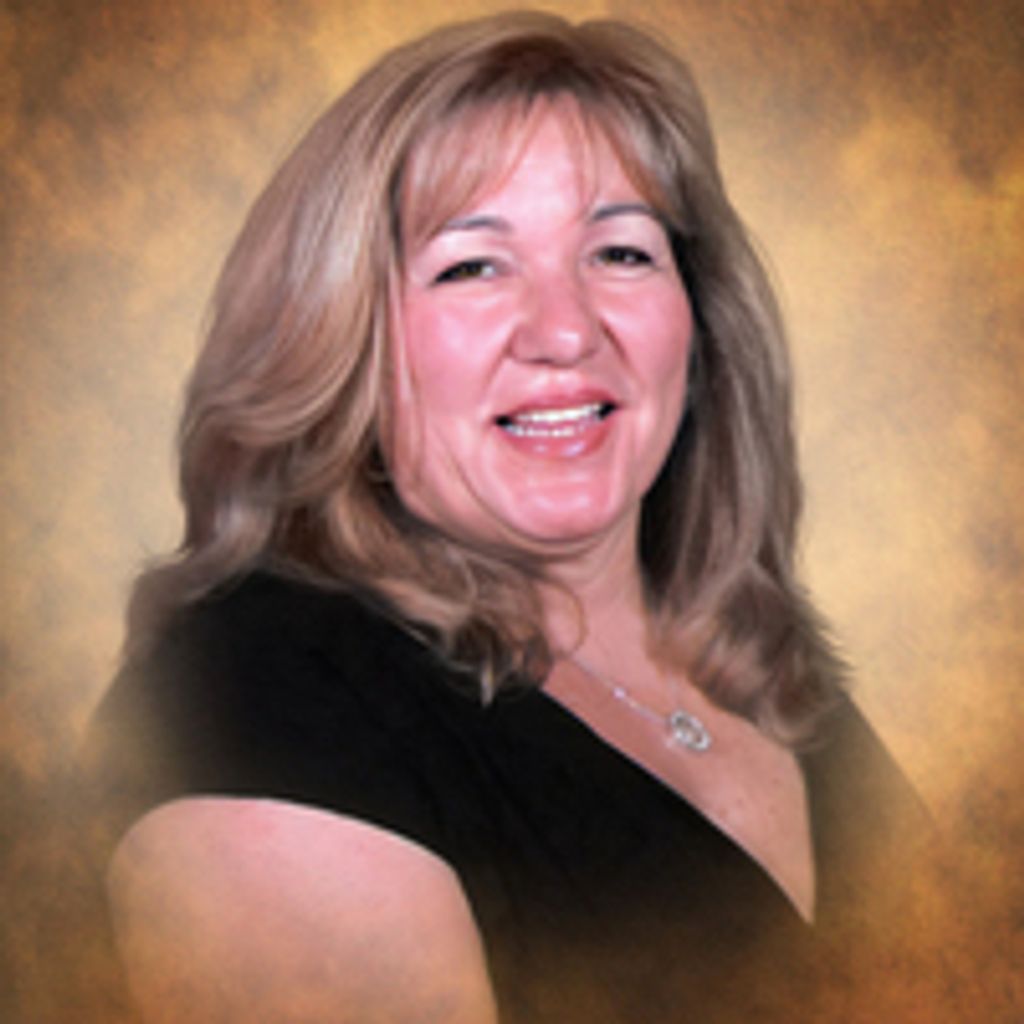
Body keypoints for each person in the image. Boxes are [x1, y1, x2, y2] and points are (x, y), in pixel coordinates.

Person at [84, 11, 942, 1023]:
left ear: (698, 320)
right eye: (471, 266)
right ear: (343, 339)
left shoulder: (766, 665)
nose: (566, 331)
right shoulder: (252, 699)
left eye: (619, 252)